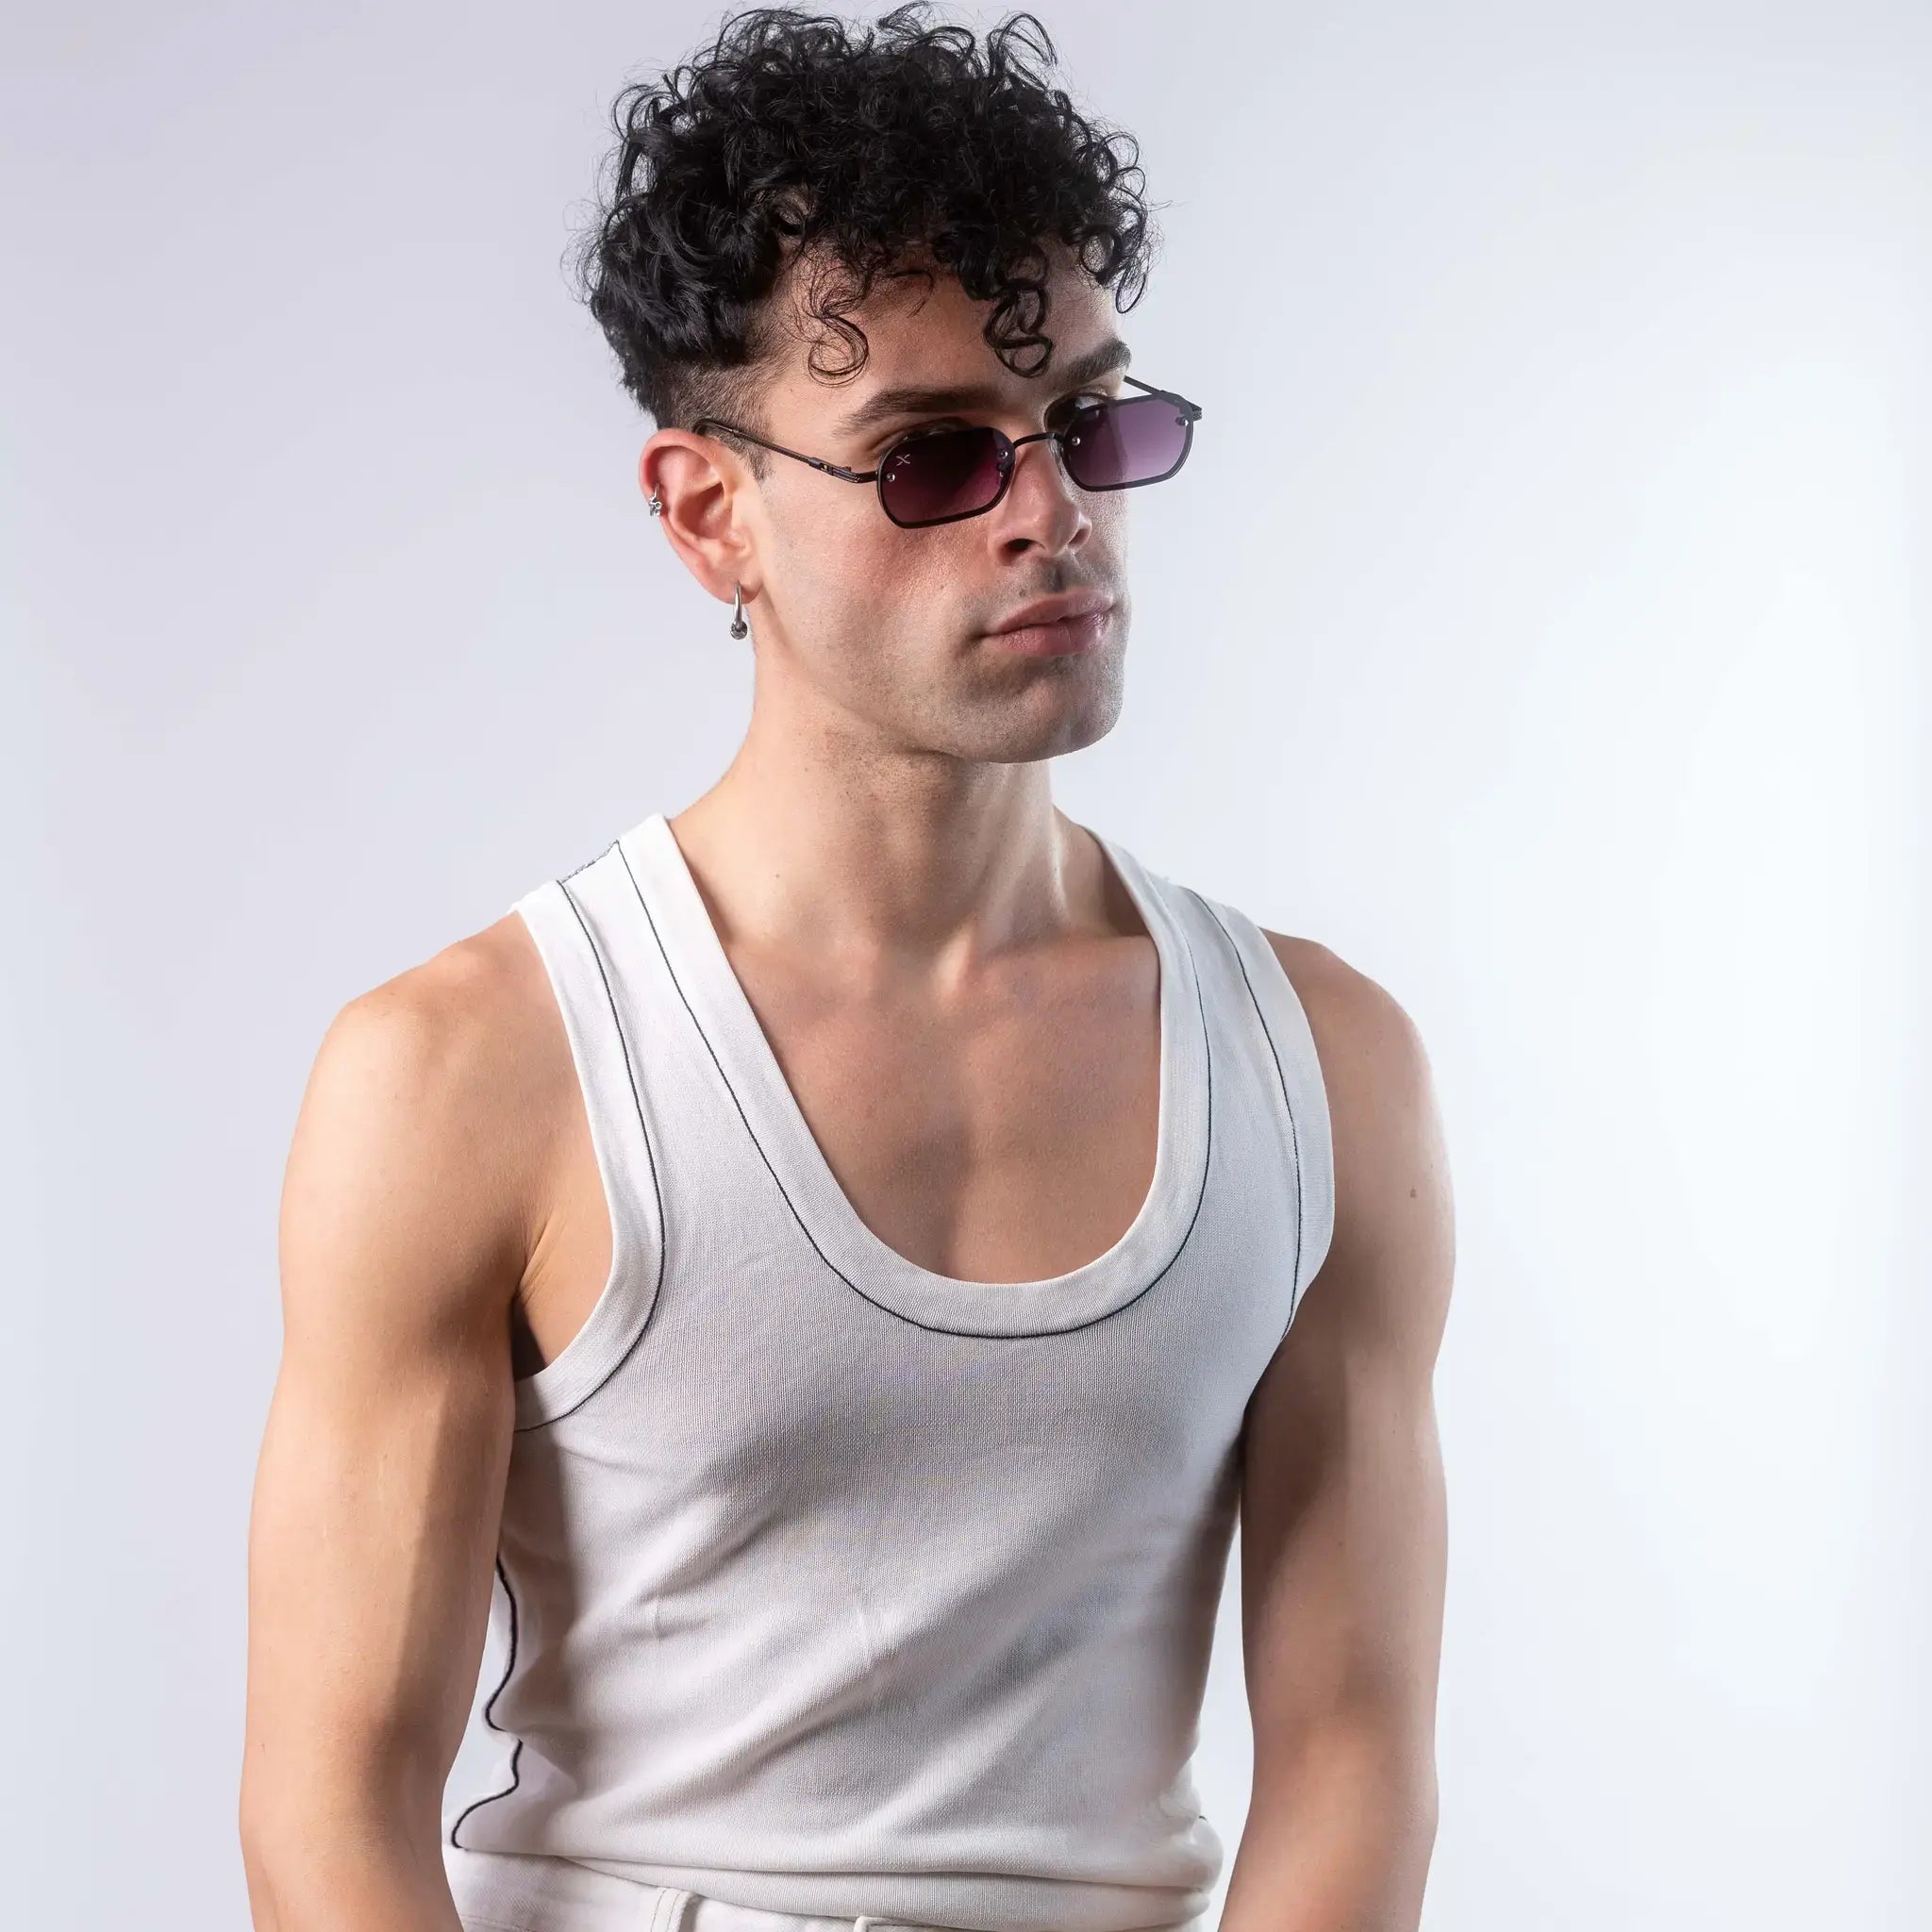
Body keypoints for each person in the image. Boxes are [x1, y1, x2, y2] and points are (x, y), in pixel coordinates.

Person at [238, 8, 1454, 1932]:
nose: (1053, 512)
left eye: (1085, 427)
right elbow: (328, 1810)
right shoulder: (471, 1068)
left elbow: (1355, 1754)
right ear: (709, 512)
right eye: (934, 459)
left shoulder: (1323, 1069)